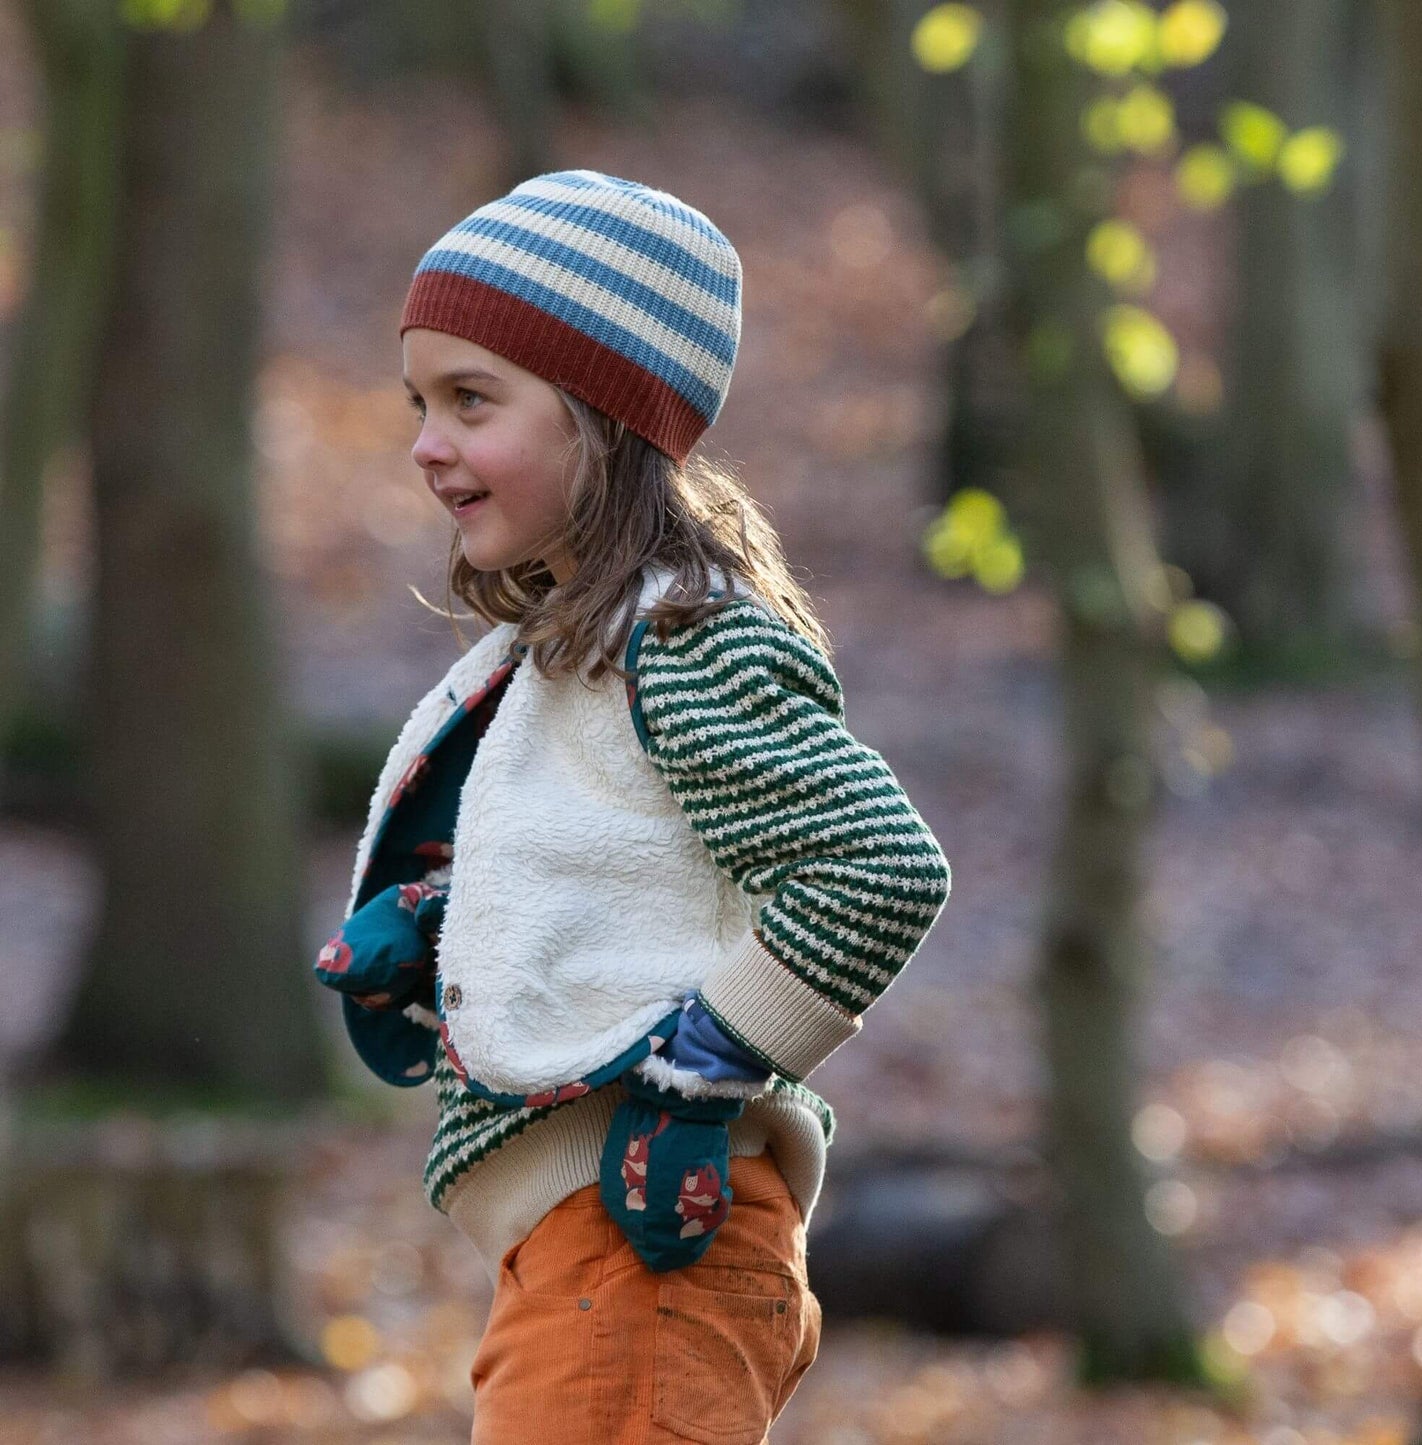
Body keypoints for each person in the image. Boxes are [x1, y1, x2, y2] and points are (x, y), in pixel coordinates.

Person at [314, 169, 952, 1445]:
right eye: (419, 403)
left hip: (640, 1247)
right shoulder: (572, 651)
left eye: (471, 400)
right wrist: (447, 913)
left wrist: (706, 1064)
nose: (427, 442)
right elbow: (623, 868)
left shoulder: (683, 638)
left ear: (601, 414)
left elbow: (876, 863)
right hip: (573, 1258)